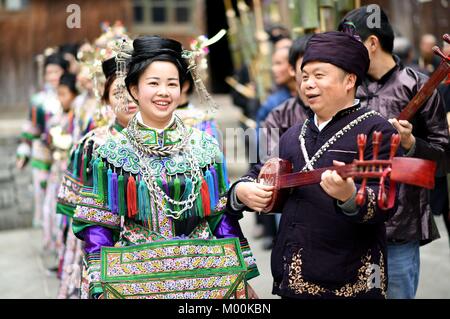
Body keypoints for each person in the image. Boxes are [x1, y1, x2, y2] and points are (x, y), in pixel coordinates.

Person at [71, 35, 259, 299]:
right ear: (134, 90)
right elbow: (98, 226)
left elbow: (221, 218)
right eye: (153, 83)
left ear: (181, 89)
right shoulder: (111, 154)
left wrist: (244, 275)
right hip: (137, 283)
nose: (163, 92)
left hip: (206, 281)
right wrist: (100, 286)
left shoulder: (204, 146)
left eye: (172, 83)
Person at [227, 30, 400, 299]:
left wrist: (350, 196)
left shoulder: (377, 130)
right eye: (304, 76)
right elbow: (256, 172)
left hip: (350, 278)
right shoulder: (292, 134)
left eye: (319, 76)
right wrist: (241, 192)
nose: (308, 84)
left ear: (349, 80)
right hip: (292, 275)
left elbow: (386, 201)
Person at [339, 6, 449, 299]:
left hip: (399, 225)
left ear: (372, 43)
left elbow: (444, 157)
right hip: (349, 219)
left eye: (350, 44)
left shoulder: (418, 85)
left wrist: (411, 144)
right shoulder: (345, 86)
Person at [56, 55, 138, 299]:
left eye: (132, 91)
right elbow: (73, 205)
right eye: (117, 93)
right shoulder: (92, 144)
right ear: (105, 100)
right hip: (102, 244)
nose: (127, 100)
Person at [16, 53, 68, 228]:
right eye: (49, 72)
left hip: (64, 155)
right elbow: (31, 128)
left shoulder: (70, 96)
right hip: (42, 154)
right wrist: (23, 151)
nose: (53, 76)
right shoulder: (38, 100)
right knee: (42, 197)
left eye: (57, 71)